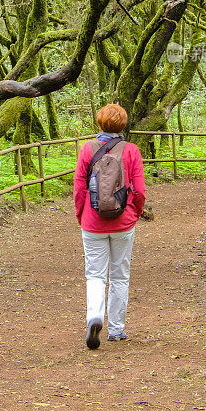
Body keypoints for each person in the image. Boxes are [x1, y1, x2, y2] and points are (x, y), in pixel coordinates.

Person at [74, 103, 145, 350]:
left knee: (94, 274)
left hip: (92, 223)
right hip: (123, 222)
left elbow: (79, 188)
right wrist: (135, 212)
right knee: (120, 275)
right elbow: (139, 190)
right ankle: (116, 329)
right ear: (123, 125)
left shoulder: (86, 149)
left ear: (99, 123)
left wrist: (80, 214)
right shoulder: (131, 150)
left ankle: (95, 315)